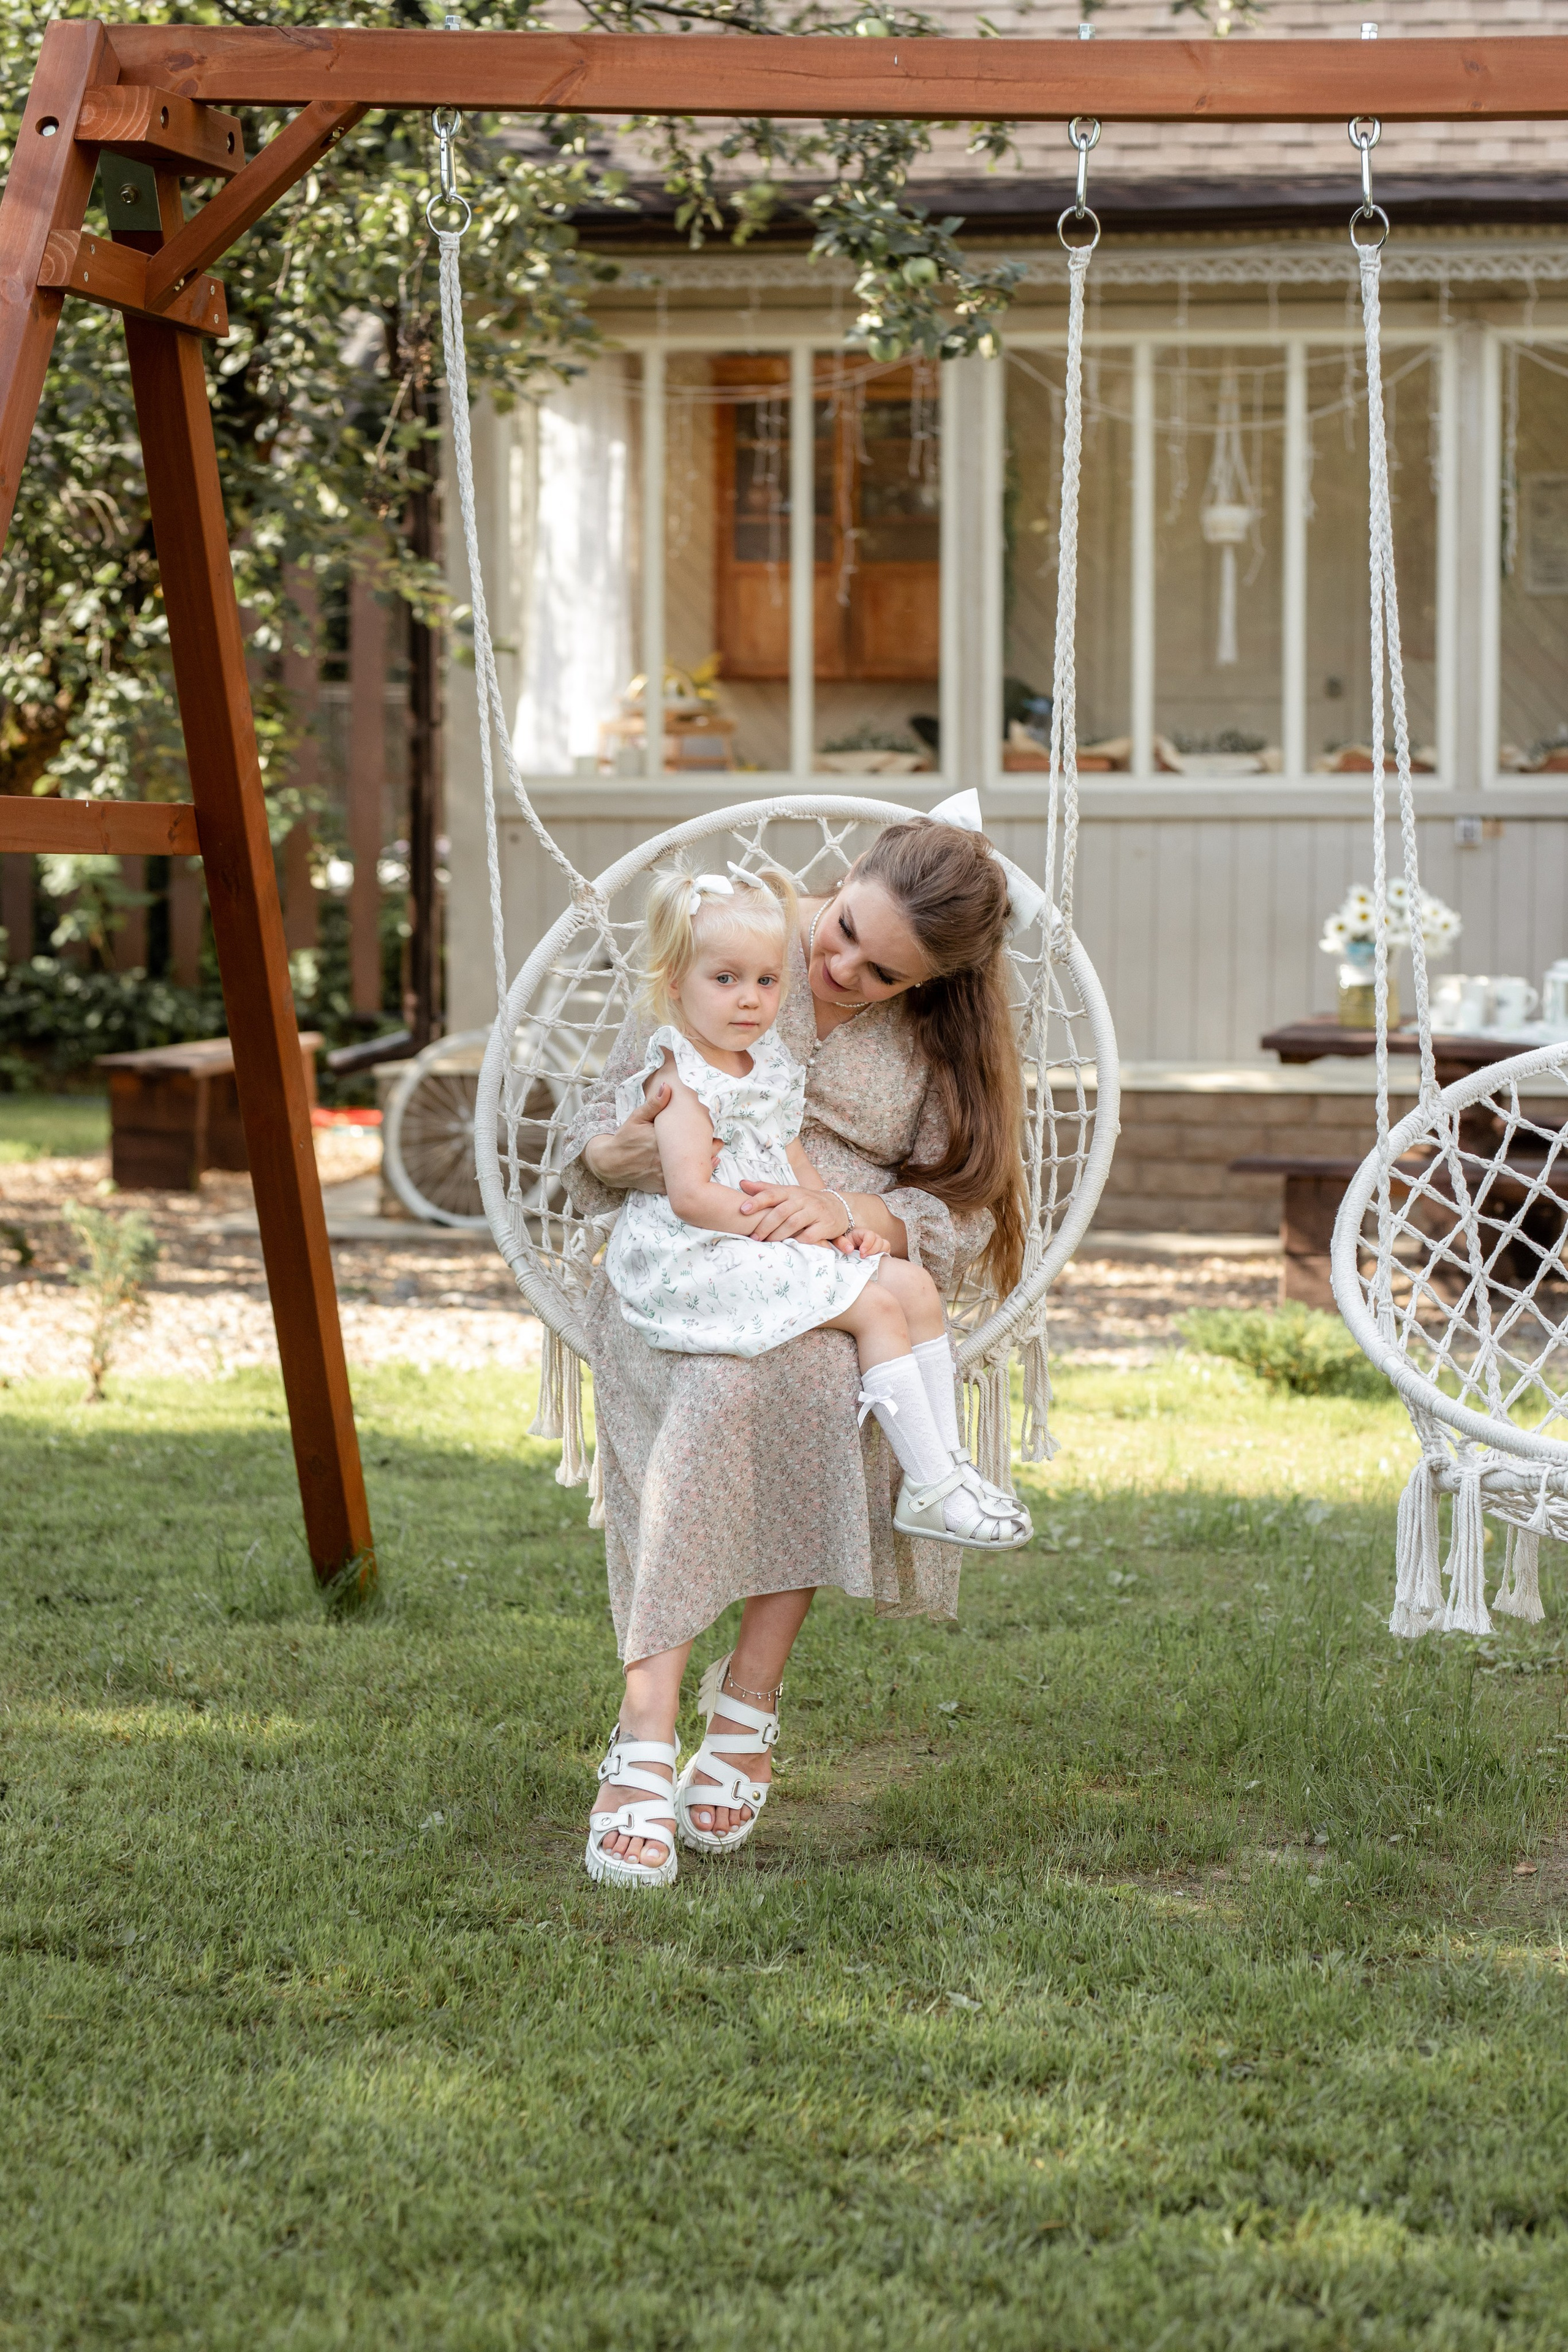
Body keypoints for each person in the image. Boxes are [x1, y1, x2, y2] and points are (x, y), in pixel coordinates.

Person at [564, 808, 1031, 1888]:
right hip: (686, 1266)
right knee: (723, 1396)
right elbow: (592, 1151)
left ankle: (749, 1702)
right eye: (847, 931)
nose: (840, 966)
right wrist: (673, 1152)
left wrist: (851, 1216)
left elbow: (959, 1213)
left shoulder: (935, 1047)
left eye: (880, 974)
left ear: (925, 985)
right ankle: (643, 1736)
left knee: (823, 1383)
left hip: (833, 1279)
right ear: (850, 877)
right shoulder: (733, 944)